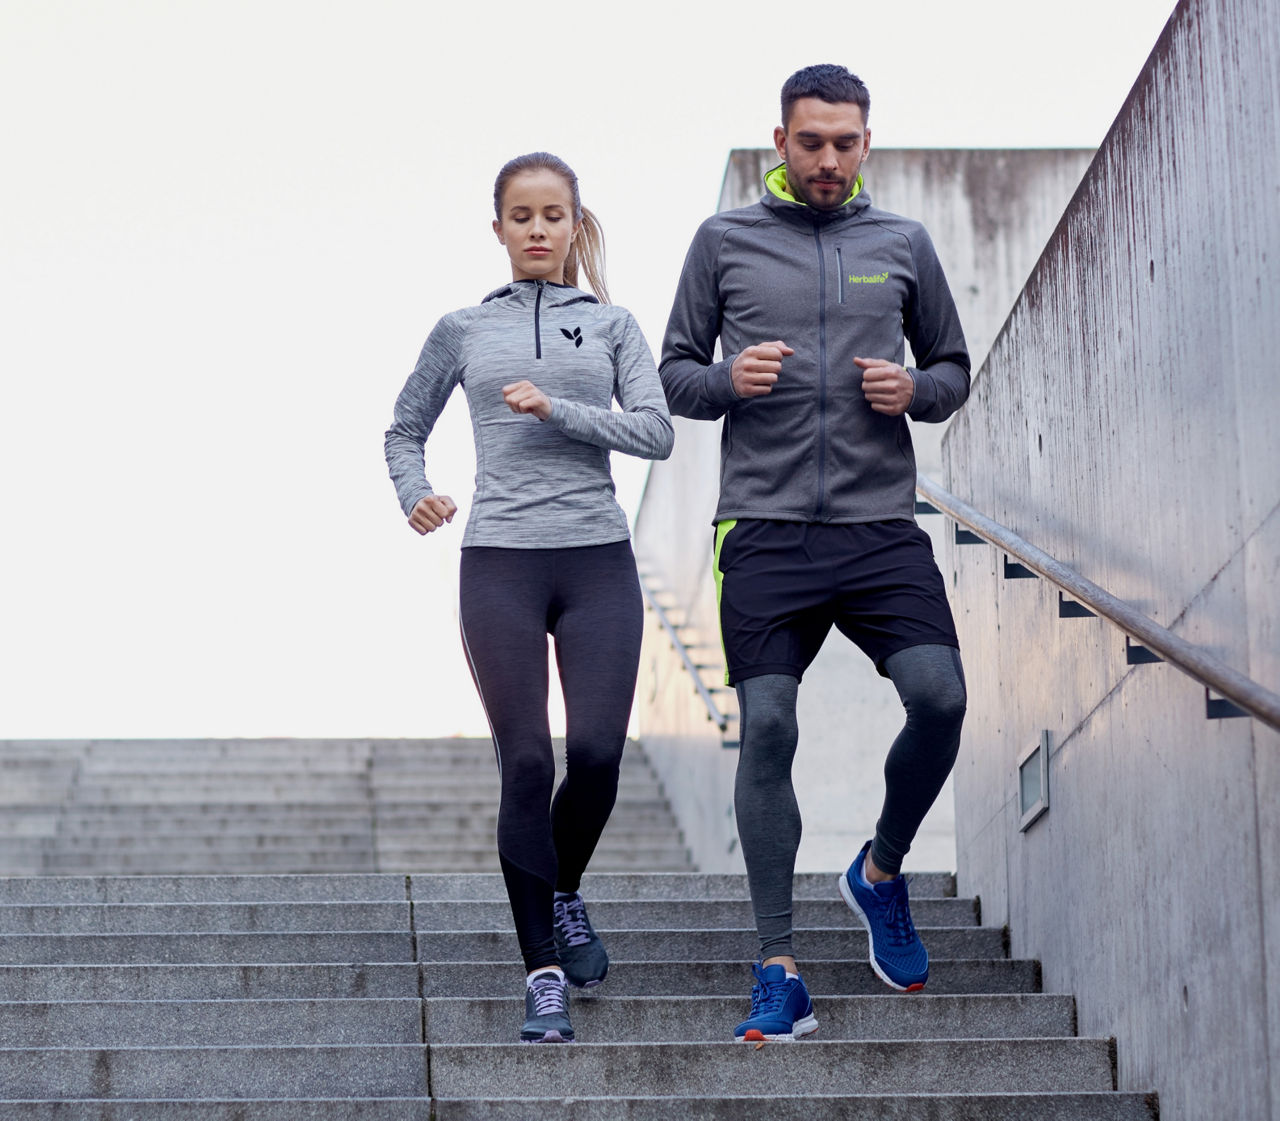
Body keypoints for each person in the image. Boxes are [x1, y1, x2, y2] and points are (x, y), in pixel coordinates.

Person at [660, 64, 970, 1042]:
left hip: (879, 526)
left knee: (940, 696)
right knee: (767, 725)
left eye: (844, 142)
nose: (827, 158)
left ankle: (878, 870)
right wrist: (726, 379)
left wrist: (913, 392)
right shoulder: (723, 243)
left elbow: (954, 369)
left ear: (864, 144)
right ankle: (778, 965)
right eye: (810, 142)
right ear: (779, 144)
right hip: (762, 525)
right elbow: (673, 375)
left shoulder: (902, 244)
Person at [384, 152, 674, 1044]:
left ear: (574, 224)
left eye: (554, 214)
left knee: (592, 755)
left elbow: (657, 431)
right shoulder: (463, 329)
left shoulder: (615, 323)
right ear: (500, 227)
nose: (538, 229)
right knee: (526, 763)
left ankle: (563, 888)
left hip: (596, 561)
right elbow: (402, 426)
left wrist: (560, 411)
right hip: (501, 561)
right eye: (522, 215)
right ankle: (542, 968)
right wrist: (414, 491)